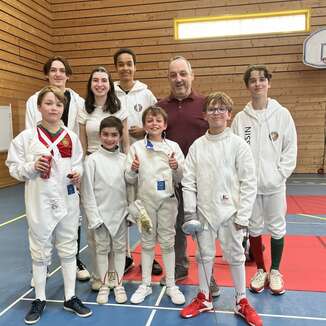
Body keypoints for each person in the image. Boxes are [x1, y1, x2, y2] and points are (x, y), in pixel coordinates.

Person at [7, 86, 92, 324]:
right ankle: (40, 298)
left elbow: (79, 163)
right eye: (49, 103)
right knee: (40, 249)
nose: (54, 108)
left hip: (67, 199)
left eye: (58, 104)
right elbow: (14, 168)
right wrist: (31, 167)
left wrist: (77, 173)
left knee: (68, 248)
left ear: (63, 109)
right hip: (39, 202)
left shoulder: (72, 137)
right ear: (39, 107)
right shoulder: (26, 138)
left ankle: (70, 296)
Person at [180, 92, 262, 326]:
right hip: (204, 213)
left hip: (231, 213)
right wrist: (190, 213)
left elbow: (249, 182)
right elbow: (188, 181)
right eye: (212, 109)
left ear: (229, 114)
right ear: (204, 115)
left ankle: (241, 301)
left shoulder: (238, 145)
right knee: (204, 256)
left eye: (221, 108)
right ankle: (204, 297)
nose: (217, 112)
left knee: (236, 256)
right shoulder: (198, 146)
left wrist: (243, 216)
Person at [231, 64, 297, 295]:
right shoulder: (240, 118)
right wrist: (241, 181)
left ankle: (275, 270)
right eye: (253, 80)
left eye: (262, 79)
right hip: (250, 188)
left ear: (269, 82)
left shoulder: (282, 114)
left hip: (274, 186)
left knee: (277, 228)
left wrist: (279, 175)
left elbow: (290, 149)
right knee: (255, 228)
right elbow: (234, 151)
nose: (257, 84)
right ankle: (260, 270)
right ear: (247, 86)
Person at [157, 56, 219, 296]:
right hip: (173, 180)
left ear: (192, 75)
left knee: (204, 230)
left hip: (203, 180)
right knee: (176, 227)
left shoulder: (206, 103)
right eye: (173, 75)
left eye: (183, 73)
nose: (179, 79)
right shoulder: (161, 106)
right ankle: (180, 269)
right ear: (169, 78)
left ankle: (208, 275)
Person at [25, 55, 90, 283]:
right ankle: (41, 265)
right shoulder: (34, 100)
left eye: (62, 70)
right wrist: (40, 164)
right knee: (42, 217)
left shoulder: (79, 101)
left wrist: (77, 167)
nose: (58, 74)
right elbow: (31, 135)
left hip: (69, 164)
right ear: (47, 74)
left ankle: (75, 260)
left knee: (72, 218)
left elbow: (79, 133)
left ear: (68, 75)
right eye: (53, 70)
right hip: (45, 167)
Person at [125, 106, 185, 305]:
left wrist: (177, 168)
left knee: (168, 243)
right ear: (144, 125)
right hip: (146, 203)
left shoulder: (173, 147)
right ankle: (145, 285)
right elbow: (129, 178)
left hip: (167, 202)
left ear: (165, 124)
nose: (154, 124)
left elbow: (181, 177)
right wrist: (133, 170)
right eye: (150, 120)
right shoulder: (136, 148)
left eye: (158, 120)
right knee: (147, 243)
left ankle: (171, 285)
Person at [78, 66, 129, 291]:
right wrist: (79, 172)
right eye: (95, 80)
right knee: (94, 226)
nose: (100, 84)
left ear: (110, 84)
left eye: (104, 80)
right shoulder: (84, 109)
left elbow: (125, 141)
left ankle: (114, 276)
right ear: (91, 84)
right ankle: (99, 276)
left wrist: (128, 167)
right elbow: (81, 143)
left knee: (116, 224)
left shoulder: (119, 107)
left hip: (116, 165)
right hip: (92, 165)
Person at [113, 47, 162, 276]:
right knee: (122, 210)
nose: (125, 68)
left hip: (143, 160)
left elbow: (156, 120)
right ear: (116, 68)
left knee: (144, 209)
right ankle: (124, 257)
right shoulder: (110, 92)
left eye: (129, 63)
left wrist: (143, 129)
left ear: (135, 66)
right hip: (117, 159)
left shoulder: (146, 93)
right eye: (121, 64)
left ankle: (148, 256)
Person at [81, 116, 128, 305]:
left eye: (114, 135)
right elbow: (87, 192)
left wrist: (130, 213)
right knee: (101, 249)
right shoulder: (91, 160)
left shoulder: (125, 160)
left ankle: (117, 284)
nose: (110, 138)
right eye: (106, 134)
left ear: (119, 136)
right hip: (100, 216)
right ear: (99, 135)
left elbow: (129, 188)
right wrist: (94, 217)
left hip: (120, 214)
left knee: (119, 250)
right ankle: (103, 284)